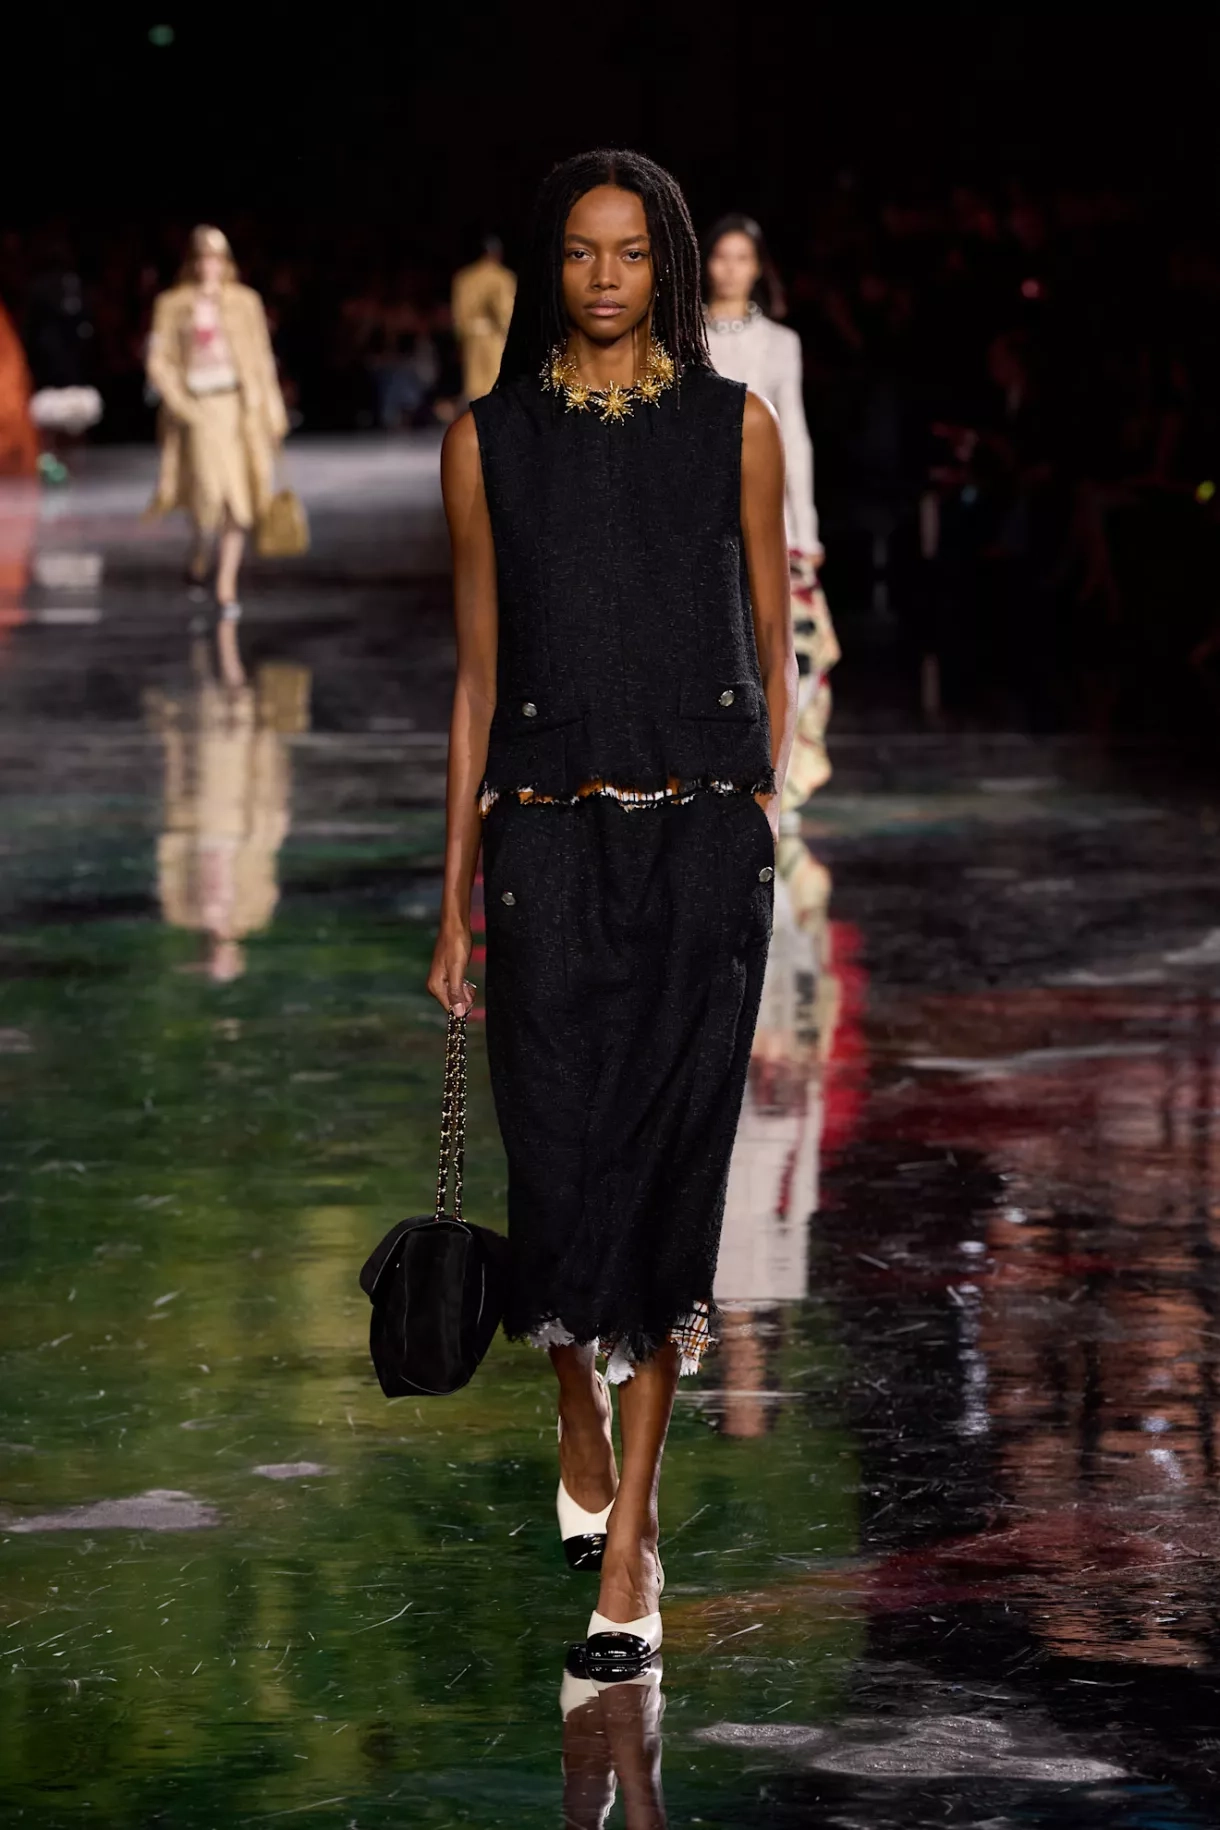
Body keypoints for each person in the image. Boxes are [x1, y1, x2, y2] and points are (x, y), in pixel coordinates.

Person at [429, 149, 796, 1677]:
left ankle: (632, 1538)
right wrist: (453, 898)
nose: (603, 277)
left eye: (630, 252)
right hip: (546, 849)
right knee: (562, 1170)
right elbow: (475, 677)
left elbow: (768, 627)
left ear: (669, 264)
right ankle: (571, 1392)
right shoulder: (488, 443)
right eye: (580, 252)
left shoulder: (735, 428)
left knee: (664, 1190)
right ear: (547, 266)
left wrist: (759, 802)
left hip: (700, 848)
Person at [703, 214, 839, 808]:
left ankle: (776, 775)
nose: (731, 269)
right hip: (699, 512)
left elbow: (796, 438)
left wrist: (806, 531)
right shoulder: (681, 336)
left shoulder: (782, 344)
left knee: (780, 643)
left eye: (742, 258)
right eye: (721, 256)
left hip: (767, 513)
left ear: (758, 268)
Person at [146, 226, 288, 622]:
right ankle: (199, 553)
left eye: (217, 258)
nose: (210, 266)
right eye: (204, 258)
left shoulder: (245, 302)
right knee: (207, 492)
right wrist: (178, 400)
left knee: (239, 498)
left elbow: (261, 358)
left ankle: (226, 585)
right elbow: (158, 359)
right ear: (193, 262)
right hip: (198, 409)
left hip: (239, 408)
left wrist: (273, 411)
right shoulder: (173, 304)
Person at [450, 236, 516, 401]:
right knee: (494, 386)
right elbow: (504, 311)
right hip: (494, 338)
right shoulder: (502, 277)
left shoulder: (464, 278)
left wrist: (461, 339)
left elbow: (459, 313)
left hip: (471, 339)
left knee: (474, 388)